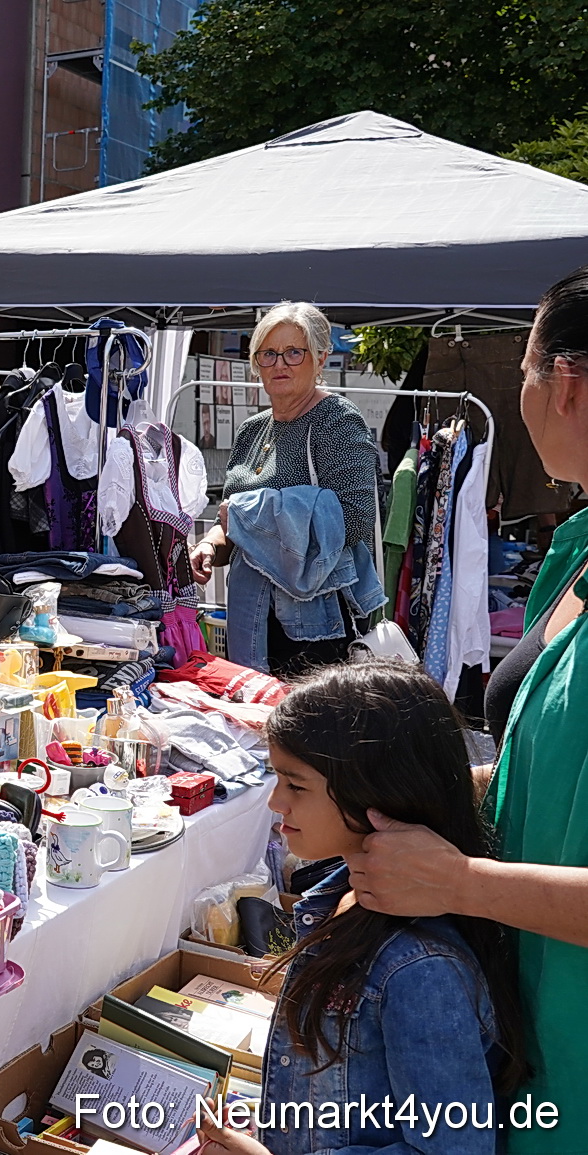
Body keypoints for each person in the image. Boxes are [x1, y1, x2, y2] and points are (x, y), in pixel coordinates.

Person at [347, 266, 588, 1154]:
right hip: (522, 1028)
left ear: (562, 380)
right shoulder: (575, 551)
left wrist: (457, 881)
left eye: (521, 369)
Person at [196, 660, 523, 1155]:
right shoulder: (344, 898)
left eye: (296, 785)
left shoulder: (421, 969)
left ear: (380, 790)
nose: (274, 803)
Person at [190, 303, 382, 679]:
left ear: (321, 357)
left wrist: (258, 512)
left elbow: (357, 520)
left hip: (313, 623)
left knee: (307, 728)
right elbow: (231, 518)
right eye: (268, 354)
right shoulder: (252, 430)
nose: (280, 364)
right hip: (255, 616)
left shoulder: (336, 421)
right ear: (256, 362)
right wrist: (210, 544)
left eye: (295, 352)